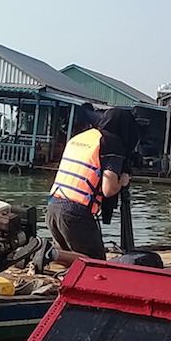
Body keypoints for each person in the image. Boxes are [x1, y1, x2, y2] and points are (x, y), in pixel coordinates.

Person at [44, 107, 140, 264]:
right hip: (75, 212)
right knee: (96, 263)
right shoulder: (111, 143)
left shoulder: (83, 137)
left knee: (70, 258)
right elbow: (108, 190)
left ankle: (49, 253)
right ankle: (48, 253)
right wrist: (122, 181)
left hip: (53, 206)